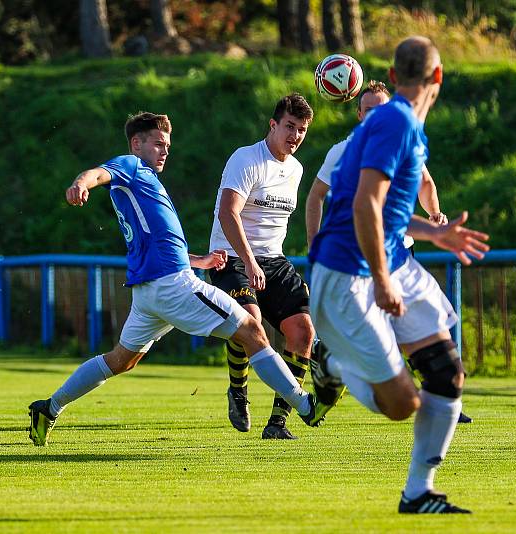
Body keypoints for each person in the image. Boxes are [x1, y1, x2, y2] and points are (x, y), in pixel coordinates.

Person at [27, 112, 319, 446]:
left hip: (149, 292)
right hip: (172, 286)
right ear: (137, 144)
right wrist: (81, 183)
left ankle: (49, 407)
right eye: (157, 144)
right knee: (252, 330)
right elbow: (97, 173)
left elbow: (157, 241)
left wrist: (199, 260)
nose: (165, 151)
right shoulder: (133, 166)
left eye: (167, 145)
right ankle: (304, 404)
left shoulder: (146, 183)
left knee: (120, 360)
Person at [307, 36, 489, 514]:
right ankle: (333, 366)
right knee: (401, 405)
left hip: (383, 259)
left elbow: (380, 208)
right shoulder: (395, 121)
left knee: (446, 373)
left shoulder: (395, 123)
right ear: (439, 77)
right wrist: (384, 280)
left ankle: (418, 493)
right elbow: (366, 203)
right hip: (350, 273)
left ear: (391, 76)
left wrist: (434, 233)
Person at [304, 80, 473, 425]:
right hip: (354, 265)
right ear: (358, 113)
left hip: (400, 256)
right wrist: (313, 244)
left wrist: (434, 216)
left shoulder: (403, 139)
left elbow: (424, 182)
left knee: (435, 351)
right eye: (369, 110)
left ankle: (439, 390)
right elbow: (323, 198)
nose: (377, 115)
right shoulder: (343, 151)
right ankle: (336, 366)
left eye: (383, 108)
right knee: (396, 389)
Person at [208, 94, 337, 440]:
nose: (295, 136)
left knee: (304, 332)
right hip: (230, 258)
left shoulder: (295, 169)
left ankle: (278, 423)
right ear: (273, 125)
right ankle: (238, 390)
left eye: (302, 130)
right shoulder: (246, 159)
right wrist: (249, 262)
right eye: (290, 127)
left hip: (274, 260)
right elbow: (227, 213)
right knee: (249, 323)